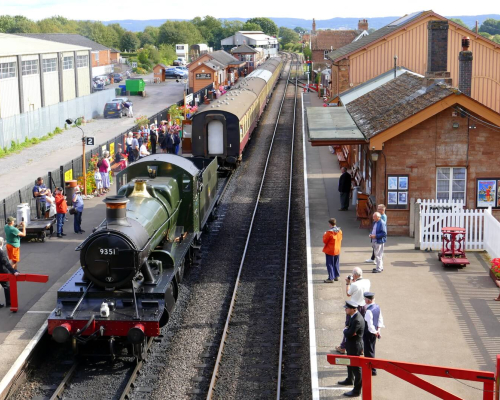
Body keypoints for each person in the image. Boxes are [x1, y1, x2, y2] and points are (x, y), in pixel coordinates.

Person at [336, 267, 370, 354]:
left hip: (354, 307)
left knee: (348, 327)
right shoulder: (367, 281)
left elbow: (348, 293)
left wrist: (348, 283)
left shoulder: (354, 285)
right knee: (361, 328)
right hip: (364, 306)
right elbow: (359, 288)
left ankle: (343, 347)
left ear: (354, 275)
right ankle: (361, 348)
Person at [338, 300, 364, 397]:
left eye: (347, 308)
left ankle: (357, 390)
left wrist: (345, 330)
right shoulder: (352, 316)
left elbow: (348, 333)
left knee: (356, 368)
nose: (345, 309)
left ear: (353, 309)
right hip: (351, 345)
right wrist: (348, 330)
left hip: (355, 346)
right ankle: (350, 379)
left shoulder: (357, 320)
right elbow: (349, 328)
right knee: (349, 363)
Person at [363, 292, 384, 376]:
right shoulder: (377, 307)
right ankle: (371, 368)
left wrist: (375, 332)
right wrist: (378, 331)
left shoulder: (368, 311)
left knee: (368, 352)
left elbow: (370, 325)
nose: (364, 300)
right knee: (371, 350)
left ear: (368, 300)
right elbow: (380, 319)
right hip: (374, 332)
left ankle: (372, 369)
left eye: (365, 299)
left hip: (369, 333)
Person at [0, 237, 20, 308]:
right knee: (6, 286)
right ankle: (9, 302)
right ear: (2, 243)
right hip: (2, 271)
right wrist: (13, 271)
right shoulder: (1, 252)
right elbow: (6, 263)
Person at [322, 218, 342, 283]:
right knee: (336, 263)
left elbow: (325, 241)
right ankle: (336, 276)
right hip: (337, 250)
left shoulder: (329, 232)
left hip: (330, 250)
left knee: (329, 264)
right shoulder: (340, 231)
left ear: (330, 224)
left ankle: (331, 278)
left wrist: (324, 234)